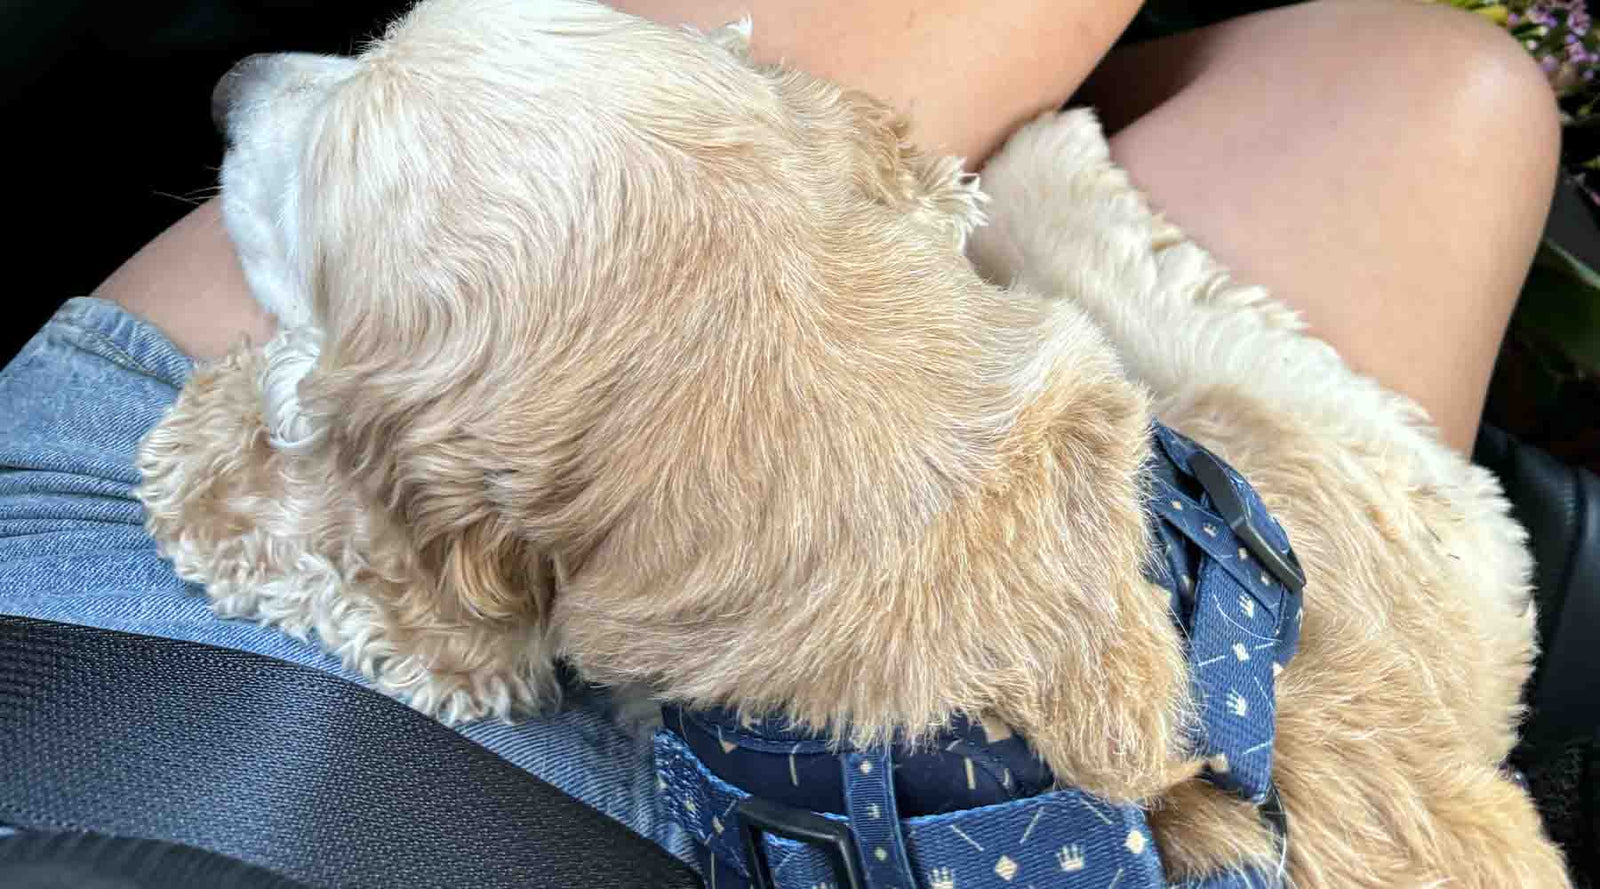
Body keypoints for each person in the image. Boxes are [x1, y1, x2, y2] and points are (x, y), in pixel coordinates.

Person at [0, 0, 1560, 864]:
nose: (253, 95)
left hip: (169, 696)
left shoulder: (353, 492)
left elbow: (391, 564)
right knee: (1453, 95)